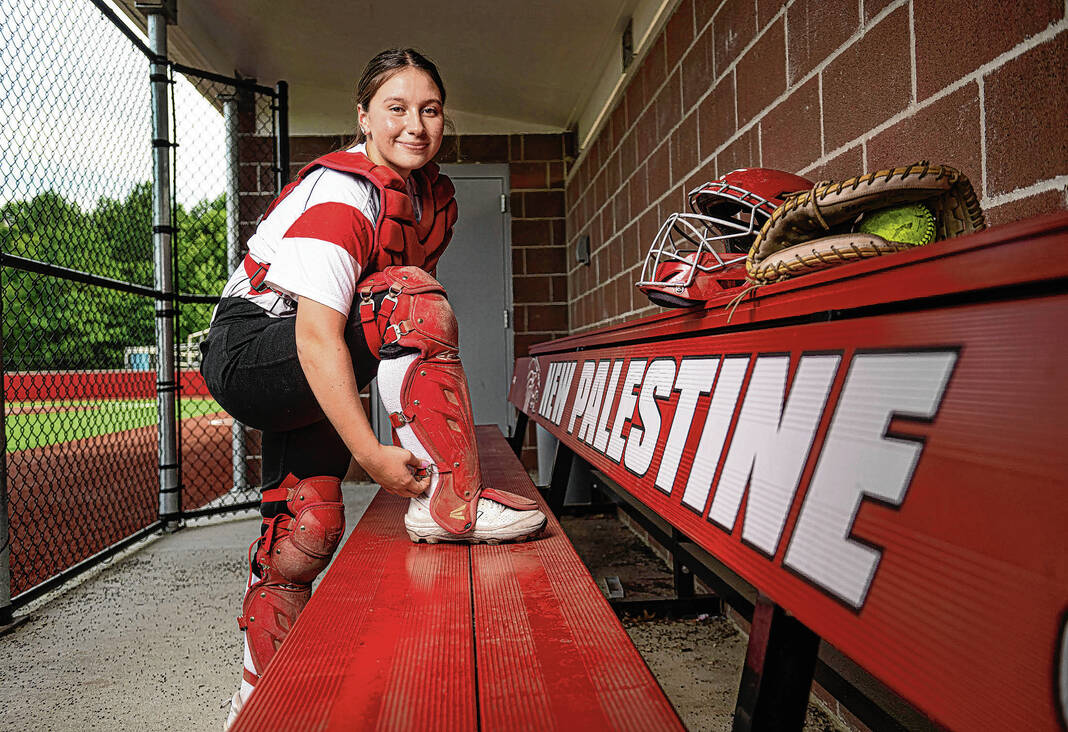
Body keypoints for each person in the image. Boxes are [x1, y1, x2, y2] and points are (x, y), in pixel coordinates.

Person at [199, 48, 546, 729]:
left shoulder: (426, 199)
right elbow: (318, 336)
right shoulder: (346, 189)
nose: (415, 124)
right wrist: (371, 453)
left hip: (306, 356)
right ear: (363, 117)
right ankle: (449, 505)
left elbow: (377, 346)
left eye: (430, 109)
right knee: (406, 293)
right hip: (253, 350)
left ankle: (256, 698)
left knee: (307, 529)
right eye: (396, 108)